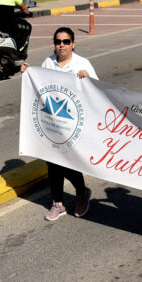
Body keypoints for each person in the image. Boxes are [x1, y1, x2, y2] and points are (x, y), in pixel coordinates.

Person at [22, 27, 98, 220]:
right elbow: (39, 86)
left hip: (75, 124)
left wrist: (87, 79)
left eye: (66, 42)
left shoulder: (83, 63)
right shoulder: (48, 62)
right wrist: (28, 72)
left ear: (73, 44)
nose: (61, 45)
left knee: (68, 161)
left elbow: (97, 92)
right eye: (58, 42)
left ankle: (81, 192)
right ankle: (58, 203)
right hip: (52, 122)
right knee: (52, 161)